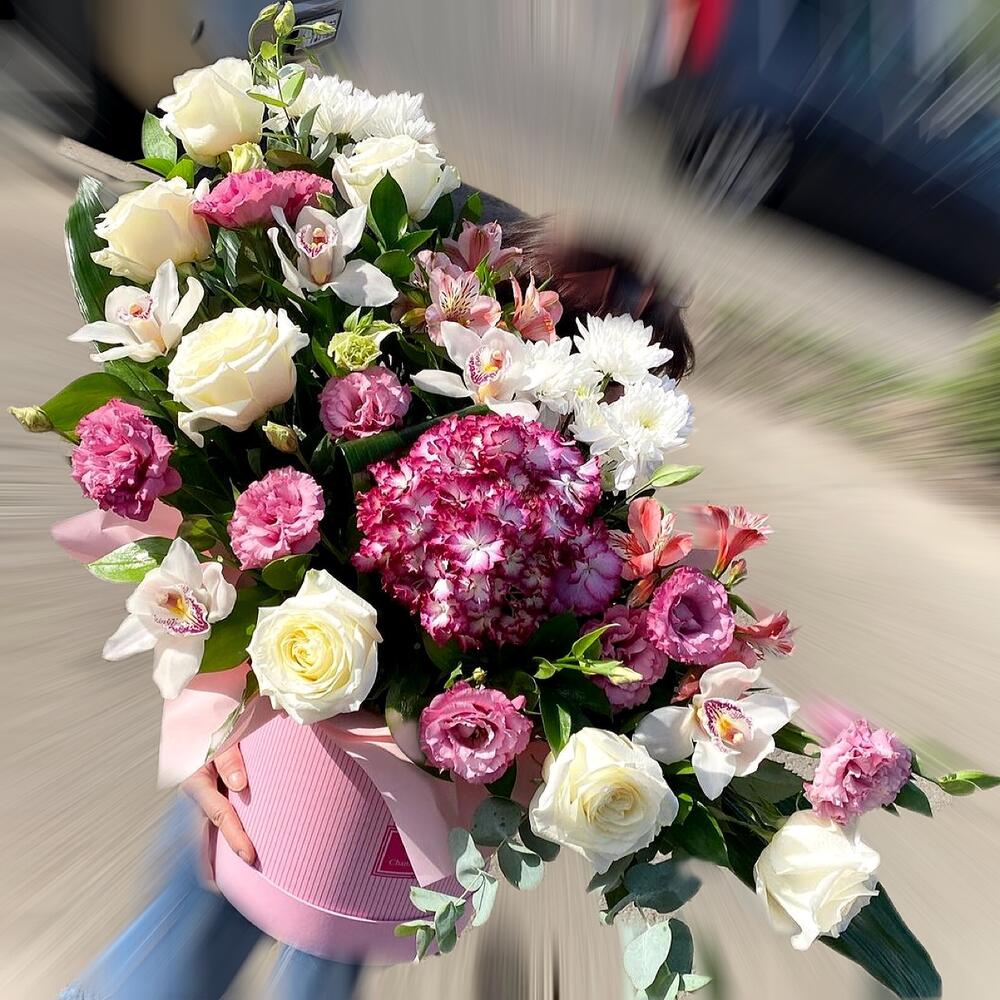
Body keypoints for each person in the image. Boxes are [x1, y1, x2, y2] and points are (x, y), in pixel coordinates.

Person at [60, 214, 693, 1000]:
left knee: (234, 947)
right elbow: (217, 573)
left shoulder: (589, 525)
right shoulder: (402, 407)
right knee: (193, 945)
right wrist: (203, 724)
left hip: (365, 818)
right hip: (273, 765)